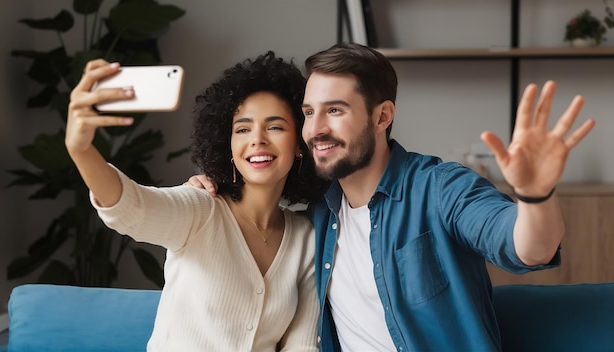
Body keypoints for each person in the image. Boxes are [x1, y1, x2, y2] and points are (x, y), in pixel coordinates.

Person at [189, 43, 597, 351]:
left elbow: (528, 247)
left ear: (382, 116)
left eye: (335, 110)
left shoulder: (440, 188)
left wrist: (535, 195)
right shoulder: (316, 215)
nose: (315, 130)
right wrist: (212, 191)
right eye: (309, 112)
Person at [65, 51, 328, 351]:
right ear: (227, 145)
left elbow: (303, 346)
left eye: (275, 126)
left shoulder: (306, 239)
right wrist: (81, 150)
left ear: (300, 144)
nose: (257, 139)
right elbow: (133, 210)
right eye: (242, 129)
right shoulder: (202, 208)